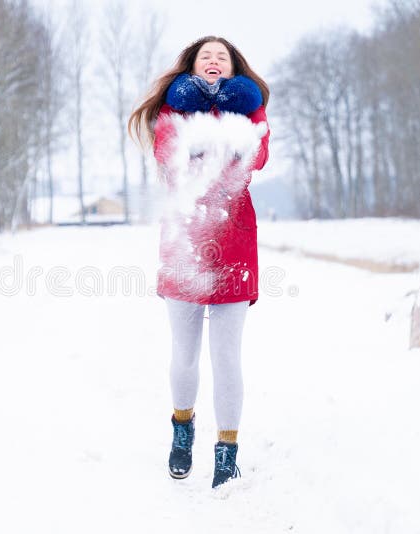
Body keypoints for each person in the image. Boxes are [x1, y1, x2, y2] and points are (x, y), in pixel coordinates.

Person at [128, 36, 270, 488]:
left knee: (227, 357)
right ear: (192, 66)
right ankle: (182, 430)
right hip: (186, 241)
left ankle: (227, 450)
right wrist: (222, 137)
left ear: (232, 69)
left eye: (221, 57)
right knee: (184, 355)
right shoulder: (173, 109)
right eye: (205, 55)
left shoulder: (252, 107)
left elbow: (257, 154)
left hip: (235, 241)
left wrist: (227, 129)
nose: (213, 60)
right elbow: (172, 157)